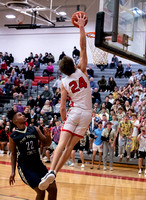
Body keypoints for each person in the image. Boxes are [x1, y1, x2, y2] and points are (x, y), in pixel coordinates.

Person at [39, 14, 92, 190]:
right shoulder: (82, 70)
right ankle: (54, 174)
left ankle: (50, 171)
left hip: (75, 112)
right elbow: (83, 48)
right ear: (74, 65)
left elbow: (62, 107)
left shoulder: (64, 82)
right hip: (87, 115)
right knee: (70, 147)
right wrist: (82, 27)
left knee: (62, 143)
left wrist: (64, 120)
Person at [7, 109, 57, 200]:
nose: (22, 115)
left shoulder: (34, 129)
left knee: (53, 188)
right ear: (15, 121)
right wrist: (13, 172)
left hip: (38, 165)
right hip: (26, 168)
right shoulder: (13, 136)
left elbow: (46, 143)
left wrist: (48, 136)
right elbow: (13, 154)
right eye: (19, 115)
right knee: (41, 191)